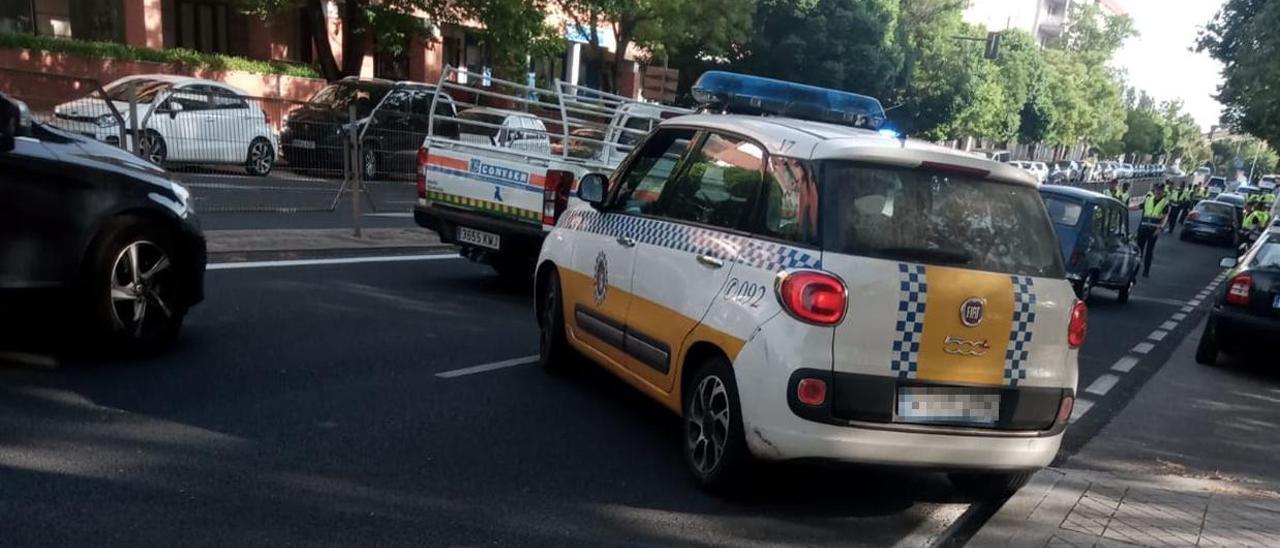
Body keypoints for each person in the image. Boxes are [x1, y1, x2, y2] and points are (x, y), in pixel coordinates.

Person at [1137, 184, 1171, 278]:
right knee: (1139, 250)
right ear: (1154, 190)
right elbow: (1139, 207)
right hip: (1143, 228)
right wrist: (1126, 208)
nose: (1159, 192)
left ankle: (1146, 271)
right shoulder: (1148, 199)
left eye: (1161, 190)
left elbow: (1165, 217)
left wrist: (1160, 228)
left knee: (1149, 251)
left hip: (1153, 230)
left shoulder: (1165, 202)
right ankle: (1135, 269)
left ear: (1163, 191)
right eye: (1157, 190)